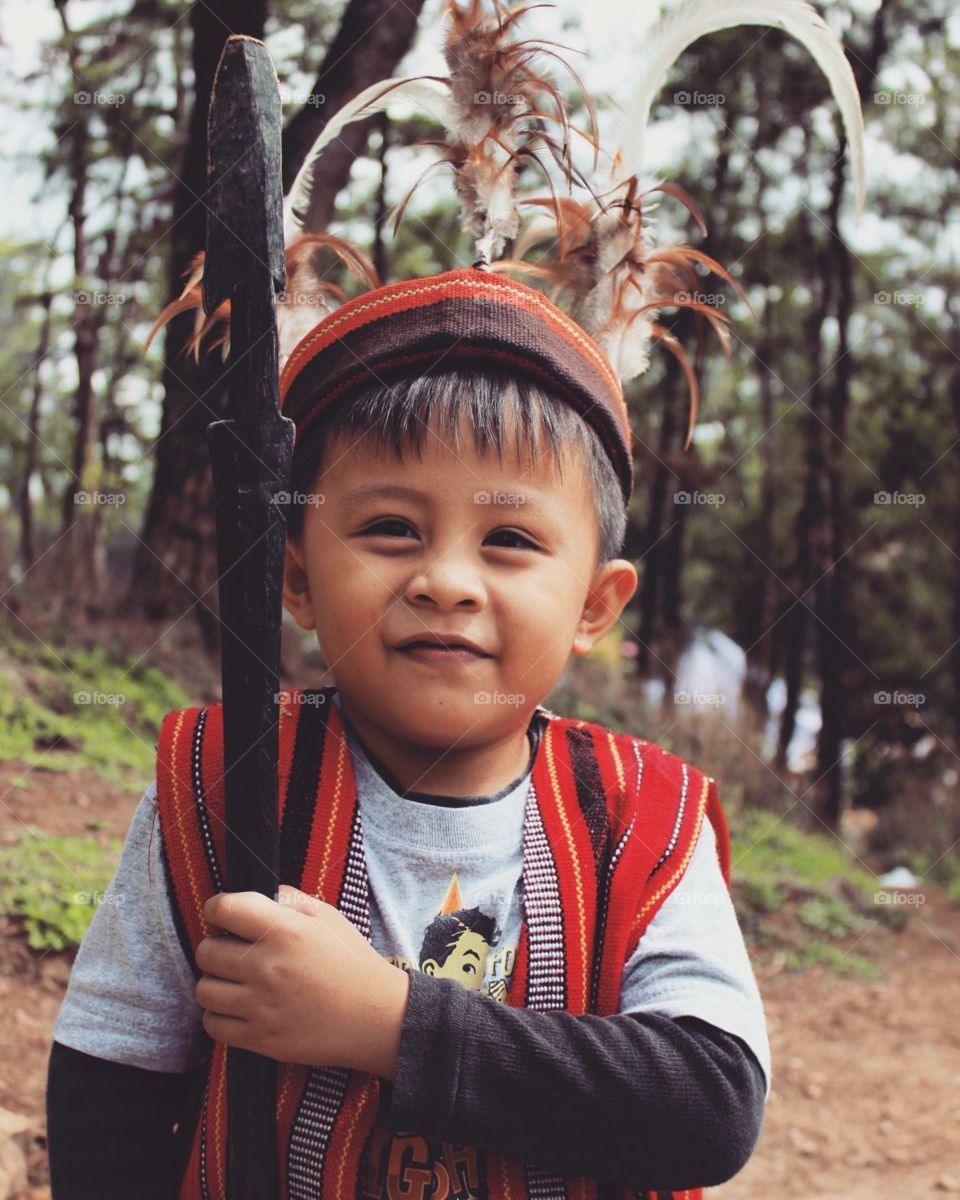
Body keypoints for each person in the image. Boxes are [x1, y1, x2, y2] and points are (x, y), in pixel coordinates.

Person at [45, 0, 868, 1194]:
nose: (443, 579)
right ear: (295, 577)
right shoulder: (214, 790)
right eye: (387, 528)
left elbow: (704, 1103)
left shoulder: (644, 823)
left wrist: (387, 1021)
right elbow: (109, 1089)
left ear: (598, 603)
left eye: (512, 541)